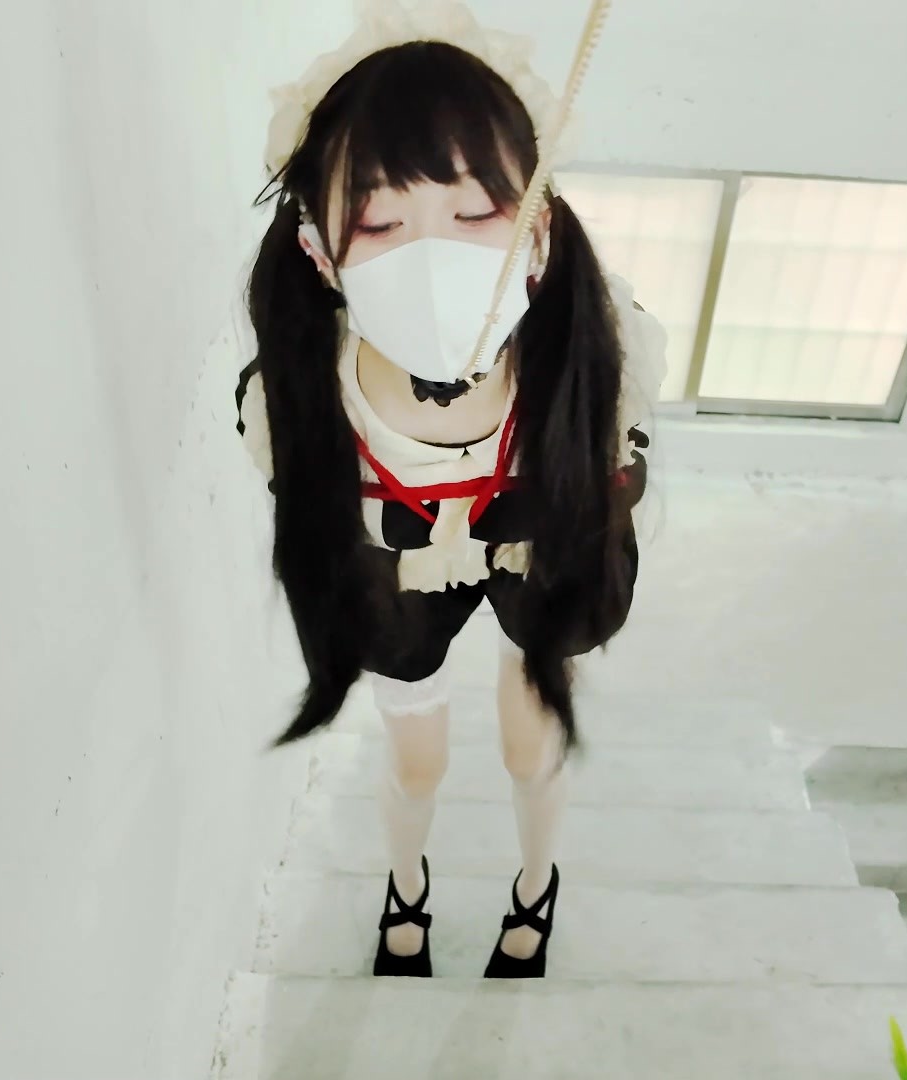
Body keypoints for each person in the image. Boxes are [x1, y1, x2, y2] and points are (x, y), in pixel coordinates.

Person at [235, 3, 664, 980]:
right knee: (413, 759)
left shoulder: (598, 356)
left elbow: (614, 480)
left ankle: (536, 882)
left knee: (532, 745)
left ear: (538, 225)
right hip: (394, 572)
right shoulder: (299, 402)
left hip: (535, 551)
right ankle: (407, 885)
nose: (434, 257)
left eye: (475, 215)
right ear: (318, 250)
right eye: (379, 222)